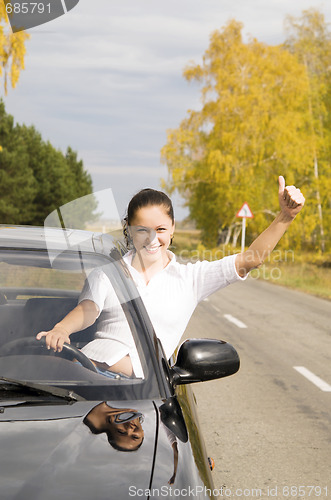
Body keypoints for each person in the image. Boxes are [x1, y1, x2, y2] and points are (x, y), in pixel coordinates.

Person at [36, 175, 305, 376]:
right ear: (128, 230)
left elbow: (251, 259)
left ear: (173, 228)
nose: (152, 238)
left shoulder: (191, 279)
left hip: (145, 394)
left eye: (161, 229)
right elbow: (88, 309)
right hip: (87, 377)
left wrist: (286, 215)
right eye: (142, 230)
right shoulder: (107, 273)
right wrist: (62, 328)